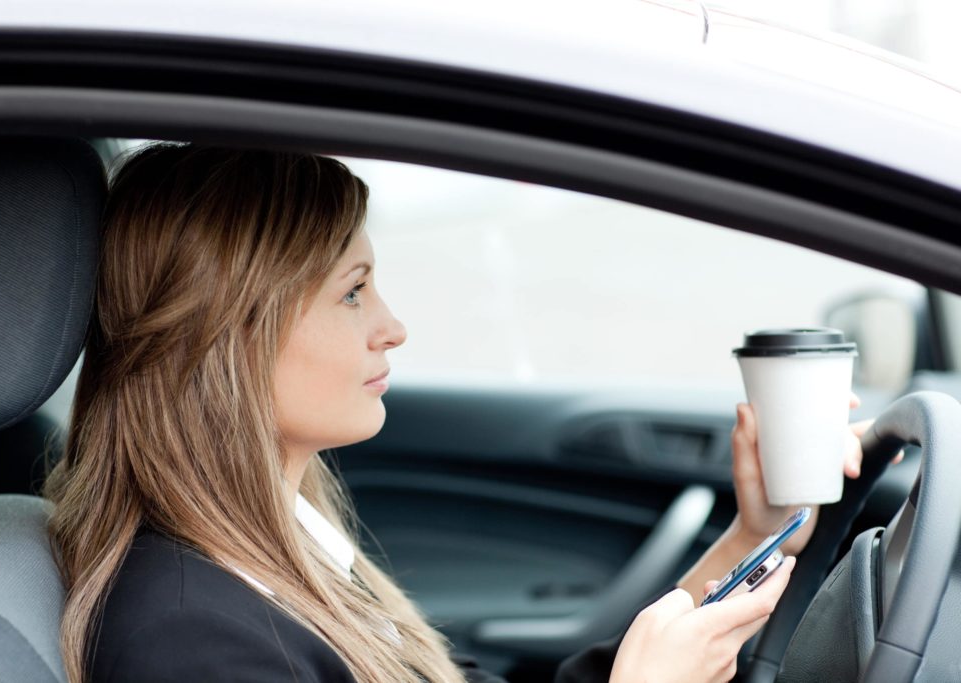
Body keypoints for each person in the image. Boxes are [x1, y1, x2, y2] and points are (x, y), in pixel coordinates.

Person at [44, 144, 874, 683]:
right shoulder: (189, 637)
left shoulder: (281, 552)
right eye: (353, 291)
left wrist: (754, 534)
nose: (392, 326)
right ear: (232, 338)